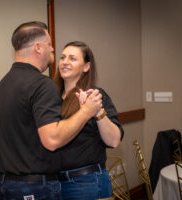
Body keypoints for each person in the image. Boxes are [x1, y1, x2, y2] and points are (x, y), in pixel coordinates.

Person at [0, 22, 103, 200]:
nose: (52, 49)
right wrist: (86, 111)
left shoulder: (2, 87)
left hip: (4, 186)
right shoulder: (42, 85)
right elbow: (52, 140)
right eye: (49, 44)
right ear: (38, 47)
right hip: (34, 189)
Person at [54, 41, 124, 200]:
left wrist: (97, 111)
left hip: (86, 183)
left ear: (86, 66)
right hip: (53, 183)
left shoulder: (96, 96)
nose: (65, 62)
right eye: (62, 57)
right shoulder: (51, 97)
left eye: (72, 58)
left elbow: (114, 140)